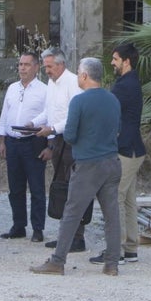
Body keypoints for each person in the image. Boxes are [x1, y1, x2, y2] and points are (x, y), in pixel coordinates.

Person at [30, 57, 122, 277]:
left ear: (84, 76)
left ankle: (57, 261)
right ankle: (112, 264)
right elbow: (117, 128)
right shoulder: (113, 99)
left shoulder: (79, 101)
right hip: (112, 162)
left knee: (71, 213)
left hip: (88, 164)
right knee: (112, 215)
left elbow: (69, 135)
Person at [91, 42, 146, 265]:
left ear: (126, 61)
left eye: (115, 59)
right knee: (129, 200)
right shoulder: (129, 82)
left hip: (127, 150)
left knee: (115, 198)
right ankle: (131, 248)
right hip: (133, 148)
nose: (112, 63)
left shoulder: (125, 85)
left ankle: (117, 251)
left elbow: (107, 110)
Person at [31, 46, 88, 253]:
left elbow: (74, 116)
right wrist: (33, 123)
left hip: (71, 140)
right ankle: (66, 235)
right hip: (56, 140)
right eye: (45, 67)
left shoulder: (73, 82)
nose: (47, 70)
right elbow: (49, 111)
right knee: (60, 188)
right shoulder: (51, 83)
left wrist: (52, 129)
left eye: (49, 66)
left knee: (73, 189)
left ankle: (77, 236)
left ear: (61, 64)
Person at [0, 51, 48, 243]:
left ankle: (38, 228)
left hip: (33, 142)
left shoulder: (44, 90)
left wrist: (49, 145)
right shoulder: (12, 88)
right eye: (20, 64)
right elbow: (4, 114)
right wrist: (2, 141)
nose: (22, 68)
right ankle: (18, 226)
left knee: (36, 187)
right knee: (15, 188)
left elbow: (50, 117)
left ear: (36, 67)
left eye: (26, 64)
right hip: (13, 142)